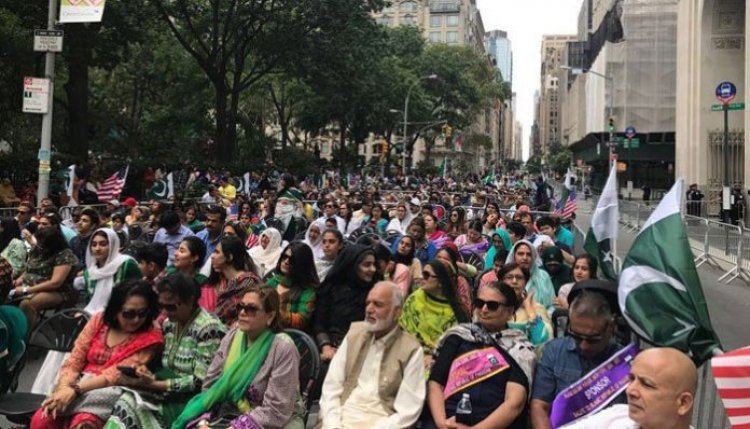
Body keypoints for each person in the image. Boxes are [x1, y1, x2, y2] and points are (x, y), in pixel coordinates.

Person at [30, 280, 164, 429]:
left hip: (111, 390)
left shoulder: (151, 336)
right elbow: (75, 359)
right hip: (78, 381)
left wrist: (75, 390)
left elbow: (115, 375)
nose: (137, 319)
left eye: (142, 313)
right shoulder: (99, 321)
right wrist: (64, 388)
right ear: (115, 310)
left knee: (84, 424)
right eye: (129, 314)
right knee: (42, 420)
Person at [171, 286, 304, 429]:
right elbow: (211, 386)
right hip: (229, 414)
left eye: (251, 309)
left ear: (270, 316)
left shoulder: (283, 348)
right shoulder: (233, 336)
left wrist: (236, 427)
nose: (242, 312)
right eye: (240, 306)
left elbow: (276, 411)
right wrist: (203, 422)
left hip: (274, 422)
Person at [104, 273, 227, 429]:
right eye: (161, 306)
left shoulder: (208, 328)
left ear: (190, 301)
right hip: (164, 390)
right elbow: (165, 364)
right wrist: (145, 373)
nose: (165, 312)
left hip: (191, 399)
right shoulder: (169, 324)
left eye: (171, 307)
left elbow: (200, 381)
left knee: (131, 407)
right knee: (125, 402)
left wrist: (155, 384)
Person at [421, 282, 530, 429]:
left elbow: (514, 404)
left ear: (510, 311)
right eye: (479, 303)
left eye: (492, 305)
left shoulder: (519, 349)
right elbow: (435, 383)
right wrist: (442, 423)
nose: (484, 310)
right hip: (446, 420)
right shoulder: (458, 336)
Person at [318, 281, 425, 428]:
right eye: (368, 303)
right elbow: (331, 387)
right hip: (342, 417)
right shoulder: (354, 334)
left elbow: (407, 412)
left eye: (378, 304)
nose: (369, 309)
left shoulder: (411, 349)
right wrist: (333, 424)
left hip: (381, 421)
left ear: (397, 312)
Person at [531, 288, 622, 429]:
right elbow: (539, 406)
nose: (584, 345)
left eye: (593, 339)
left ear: (610, 327)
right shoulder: (554, 351)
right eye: (577, 336)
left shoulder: (625, 361)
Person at [561, 347, 697, 429]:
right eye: (631, 379)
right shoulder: (616, 416)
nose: (630, 390)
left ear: (683, 403)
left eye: (647, 384)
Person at [399, 260, 471, 368]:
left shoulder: (456, 313)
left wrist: (434, 358)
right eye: (423, 274)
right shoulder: (414, 299)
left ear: (441, 282)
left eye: (427, 275)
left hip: (440, 364)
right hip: (410, 355)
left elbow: (456, 348)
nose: (422, 278)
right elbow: (402, 331)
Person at [313, 245, 378, 362]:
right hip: (331, 346)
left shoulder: (375, 293)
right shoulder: (331, 289)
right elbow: (319, 323)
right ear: (352, 266)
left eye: (374, 265)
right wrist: (326, 347)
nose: (373, 269)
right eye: (367, 265)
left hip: (362, 351)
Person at [12, 227, 78, 328]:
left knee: (27, 304)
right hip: (30, 285)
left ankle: (23, 338)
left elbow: (55, 283)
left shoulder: (64, 254)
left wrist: (26, 290)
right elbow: (29, 269)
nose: (39, 245)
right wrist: (18, 280)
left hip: (57, 291)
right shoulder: (38, 250)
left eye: (42, 243)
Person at [202, 236, 259, 326]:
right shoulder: (222, 282)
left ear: (229, 257)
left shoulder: (248, 283)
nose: (212, 256)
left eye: (217, 252)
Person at [266, 242, 319, 331]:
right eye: (284, 257)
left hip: (290, 336)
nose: (286, 262)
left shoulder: (308, 290)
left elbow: (301, 321)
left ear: (302, 264)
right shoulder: (274, 281)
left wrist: (270, 313)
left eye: (292, 260)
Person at [498, 263, 553, 346]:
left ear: (525, 282)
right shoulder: (490, 305)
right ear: (501, 281)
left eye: (519, 278)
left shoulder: (536, 308)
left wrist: (529, 309)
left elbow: (545, 341)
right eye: (509, 277)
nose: (514, 281)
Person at [505, 240, 556, 312]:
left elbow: (552, 304)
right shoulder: (506, 276)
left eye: (529, 254)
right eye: (520, 254)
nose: (525, 258)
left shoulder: (543, 276)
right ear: (514, 256)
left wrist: (544, 317)